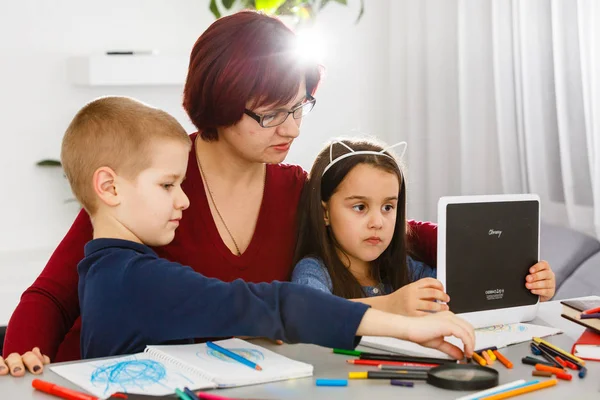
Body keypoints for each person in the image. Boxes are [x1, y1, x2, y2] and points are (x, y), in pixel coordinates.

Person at [2, 11, 442, 376]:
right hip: (111, 375)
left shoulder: (293, 189)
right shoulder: (150, 182)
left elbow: (397, 229)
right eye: (272, 114)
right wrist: (21, 357)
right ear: (222, 100)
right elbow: (53, 294)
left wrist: (504, 251)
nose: (292, 128)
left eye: (299, 106)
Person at [69, 96, 476, 360]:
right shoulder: (138, 280)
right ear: (109, 187)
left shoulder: (104, 270)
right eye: (168, 185)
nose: (185, 199)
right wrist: (406, 326)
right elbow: (275, 304)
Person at [291, 138, 557, 313]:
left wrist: (528, 287)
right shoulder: (315, 270)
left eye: (388, 207)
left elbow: (464, 291)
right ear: (324, 212)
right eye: (360, 207)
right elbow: (309, 312)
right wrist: (390, 304)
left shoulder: (404, 268)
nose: (377, 222)